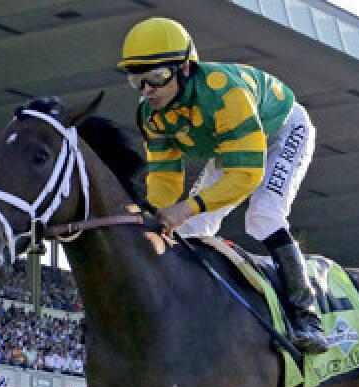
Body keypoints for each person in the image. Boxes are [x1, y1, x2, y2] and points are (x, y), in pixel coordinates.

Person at [118, 17, 328, 354]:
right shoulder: (151, 116)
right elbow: (165, 179)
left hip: (284, 131)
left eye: (156, 78)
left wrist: (184, 207)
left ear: (185, 67)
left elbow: (246, 175)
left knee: (263, 216)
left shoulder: (224, 93)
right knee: (187, 231)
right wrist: (157, 217)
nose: (147, 91)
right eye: (137, 80)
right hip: (232, 144)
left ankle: (306, 315)